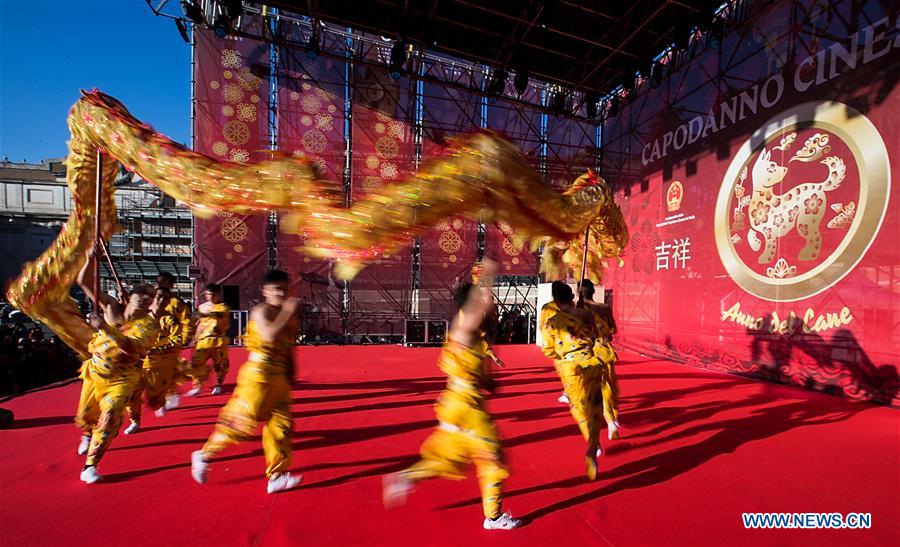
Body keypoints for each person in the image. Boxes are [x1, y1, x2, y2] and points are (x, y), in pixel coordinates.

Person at [383, 259, 522, 530]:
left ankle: (406, 476)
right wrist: (490, 276)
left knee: (448, 456)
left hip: (456, 404)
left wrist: (488, 381)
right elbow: (482, 307)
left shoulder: (467, 331)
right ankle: (493, 517)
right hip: (467, 408)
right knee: (493, 458)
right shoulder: (464, 327)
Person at [191, 270, 301, 494]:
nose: (280, 293)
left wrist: (291, 371)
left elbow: (289, 347)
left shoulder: (288, 317)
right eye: (275, 289)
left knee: (282, 426)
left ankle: (277, 475)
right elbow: (269, 335)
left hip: (279, 376)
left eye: (284, 288)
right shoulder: (260, 311)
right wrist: (287, 312)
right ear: (265, 291)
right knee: (240, 423)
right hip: (258, 375)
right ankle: (204, 454)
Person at [74, 253, 163, 483]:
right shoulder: (111, 306)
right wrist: (90, 259)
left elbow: (131, 348)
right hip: (95, 372)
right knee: (86, 415)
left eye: (150, 296)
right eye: (142, 294)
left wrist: (104, 327)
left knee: (111, 413)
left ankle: (90, 465)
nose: (146, 298)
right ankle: (87, 434)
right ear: (130, 295)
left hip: (122, 379)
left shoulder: (151, 326)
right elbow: (84, 283)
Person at [540, 281, 604, 481]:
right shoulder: (585, 315)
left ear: (557, 302)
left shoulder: (552, 321)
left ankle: (590, 441)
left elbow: (548, 349)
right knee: (594, 406)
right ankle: (593, 445)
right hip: (589, 360)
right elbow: (596, 336)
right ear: (572, 297)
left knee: (577, 406)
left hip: (569, 365)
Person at [123, 287, 185, 434]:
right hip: (137, 364)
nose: (161, 300)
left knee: (154, 399)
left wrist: (156, 350)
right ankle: (135, 421)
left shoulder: (170, 320)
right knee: (131, 394)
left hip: (160, 365)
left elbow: (177, 342)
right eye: (159, 296)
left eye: (165, 298)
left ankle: (163, 398)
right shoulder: (140, 317)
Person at [578, 279, 620, 440]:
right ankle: (612, 420)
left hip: (589, 353)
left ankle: (608, 421)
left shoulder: (580, 310)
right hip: (606, 350)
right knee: (608, 387)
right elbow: (613, 330)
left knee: (592, 391)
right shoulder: (604, 308)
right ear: (593, 292)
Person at [154, 272, 195, 410]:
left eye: (163, 282)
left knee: (166, 371)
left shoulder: (176, 303)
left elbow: (187, 322)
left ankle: (169, 395)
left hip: (169, 343)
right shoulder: (148, 299)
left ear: (171, 285)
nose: (159, 285)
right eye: (157, 282)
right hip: (148, 342)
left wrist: (183, 341)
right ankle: (164, 395)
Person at [186, 284, 230, 396]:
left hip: (218, 340)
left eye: (213, 294)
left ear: (218, 294)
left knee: (219, 364)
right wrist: (195, 337)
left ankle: (218, 384)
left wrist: (210, 314)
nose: (210, 296)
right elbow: (200, 323)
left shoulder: (223, 307)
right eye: (208, 294)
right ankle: (197, 386)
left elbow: (221, 318)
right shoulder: (202, 307)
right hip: (203, 340)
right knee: (196, 363)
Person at [539, 297, 569, 404]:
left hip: (559, 345)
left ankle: (569, 392)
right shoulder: (575, 309)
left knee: (565, 371)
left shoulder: (547, 308)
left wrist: (549, 348)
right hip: (573, 345)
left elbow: (543, 326)